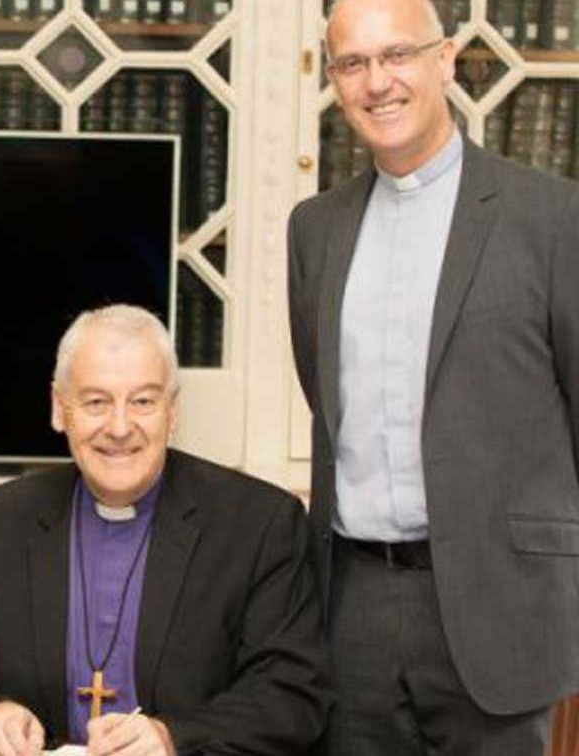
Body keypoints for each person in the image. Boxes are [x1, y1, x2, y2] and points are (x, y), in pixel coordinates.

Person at [287, 0, 579, 751]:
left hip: (499, 602)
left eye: (398, 55)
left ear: (444, 60)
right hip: (351, 606)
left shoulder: (551, 219)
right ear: (334, 80)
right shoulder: (315, 230)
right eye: (353, 63)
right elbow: (325, 398)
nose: (376, 82)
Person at [0, 305, 328, 756]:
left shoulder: (259, 524)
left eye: (143, 401)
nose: (120, 428)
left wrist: (172, 738)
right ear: (59, 410)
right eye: (96, 402)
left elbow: (292, 695)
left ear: (172, 411)